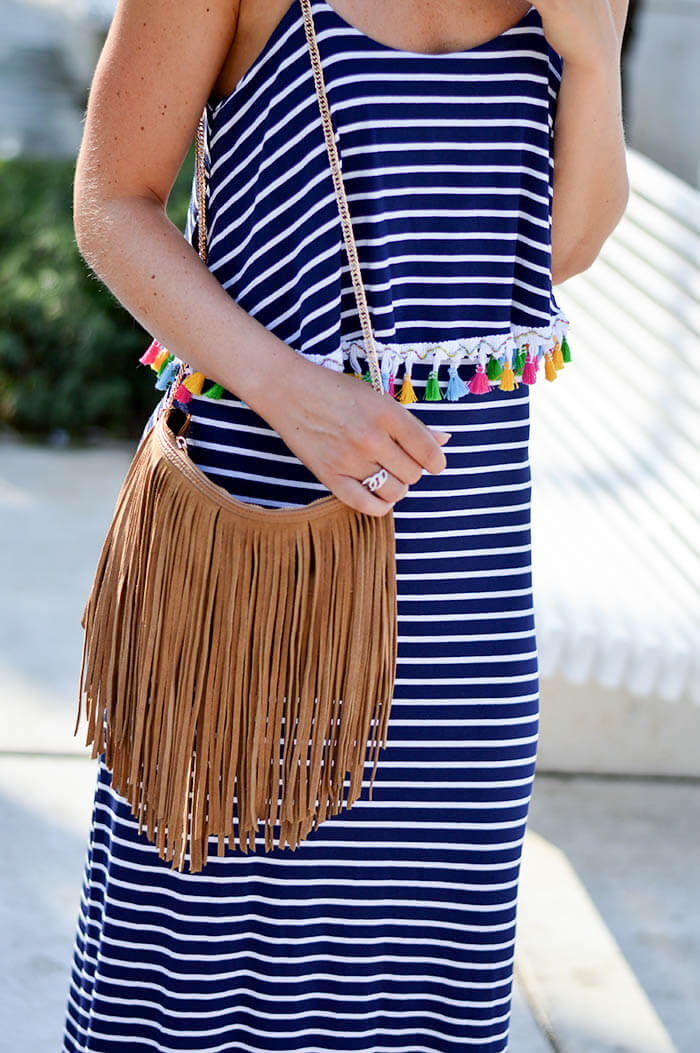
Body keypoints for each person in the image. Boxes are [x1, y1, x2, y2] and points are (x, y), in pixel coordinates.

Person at [63, 1, 629, 1050]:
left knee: (420, 971)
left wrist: (591, 56)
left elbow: (559, 249)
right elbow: (113, 202)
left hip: (467, 573)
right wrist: (290, 390)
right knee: (204, 962)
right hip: (253, 550)